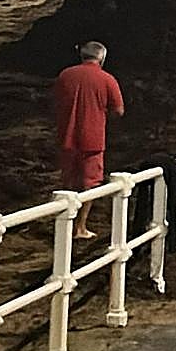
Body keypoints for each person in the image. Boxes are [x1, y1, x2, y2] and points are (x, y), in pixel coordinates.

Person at [53, 41, 125, 239]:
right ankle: (80, 226)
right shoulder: (107, 79)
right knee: (90, 184)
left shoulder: (65, 75)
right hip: (93, 138)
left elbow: (56, 101)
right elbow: (118, 110)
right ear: (101, 58)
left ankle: (64, 225)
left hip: (66, 135)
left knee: (68, 183)